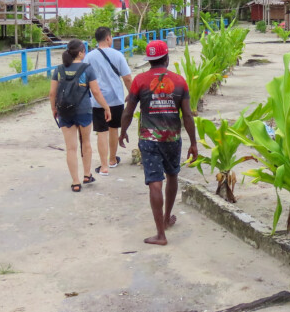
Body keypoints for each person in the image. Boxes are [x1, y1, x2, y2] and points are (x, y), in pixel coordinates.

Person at [119, 39, 198, 246]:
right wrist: (193, 143)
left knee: (155, 182)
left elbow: (129, 111)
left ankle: (160, 234)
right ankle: (166, 217)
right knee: (172, 176)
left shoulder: (139, 81)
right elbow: (187, 116)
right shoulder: (180, 81)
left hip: (149, 140)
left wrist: (122, 132)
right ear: (167, 58)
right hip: (172, 139)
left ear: (150, 60)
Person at [49, 38, 111, 192]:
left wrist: (54, 109)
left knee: (71, 148)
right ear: (81, 52)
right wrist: (106, 107)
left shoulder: (59, 69)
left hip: (64, 111)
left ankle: (75, 182)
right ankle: (87, 174)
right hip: (84, 110)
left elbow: (52, 93)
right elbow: (96, 92)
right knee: (86, 143)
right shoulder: (87, 69)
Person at [85, 27, 132, 176]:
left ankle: (103, 166)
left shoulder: (89, 57)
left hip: (97, 99)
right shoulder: (118, 55)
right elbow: (127, 78)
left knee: (101, 132)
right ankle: (112, 159)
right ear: (108, 38)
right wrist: (132, 94)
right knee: (114, 128)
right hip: (116, 98)